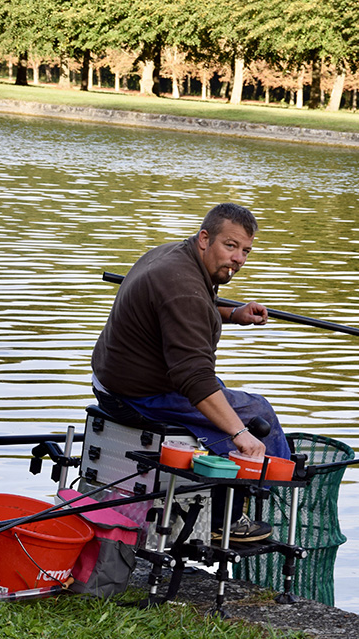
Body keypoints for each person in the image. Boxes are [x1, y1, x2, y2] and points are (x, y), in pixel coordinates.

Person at [91, 202, 291, 541]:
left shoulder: (172, 255)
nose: (238, 259)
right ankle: (234, 517)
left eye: (245, 251)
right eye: (230, 246)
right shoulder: (183, 286)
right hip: (137, 395)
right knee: (257, 413)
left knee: (229, 401)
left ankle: (229, 499)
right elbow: (194, 379)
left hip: (112, 379)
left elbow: (192, 306)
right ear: (204, 238)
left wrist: (233, 313)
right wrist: (241, 433)